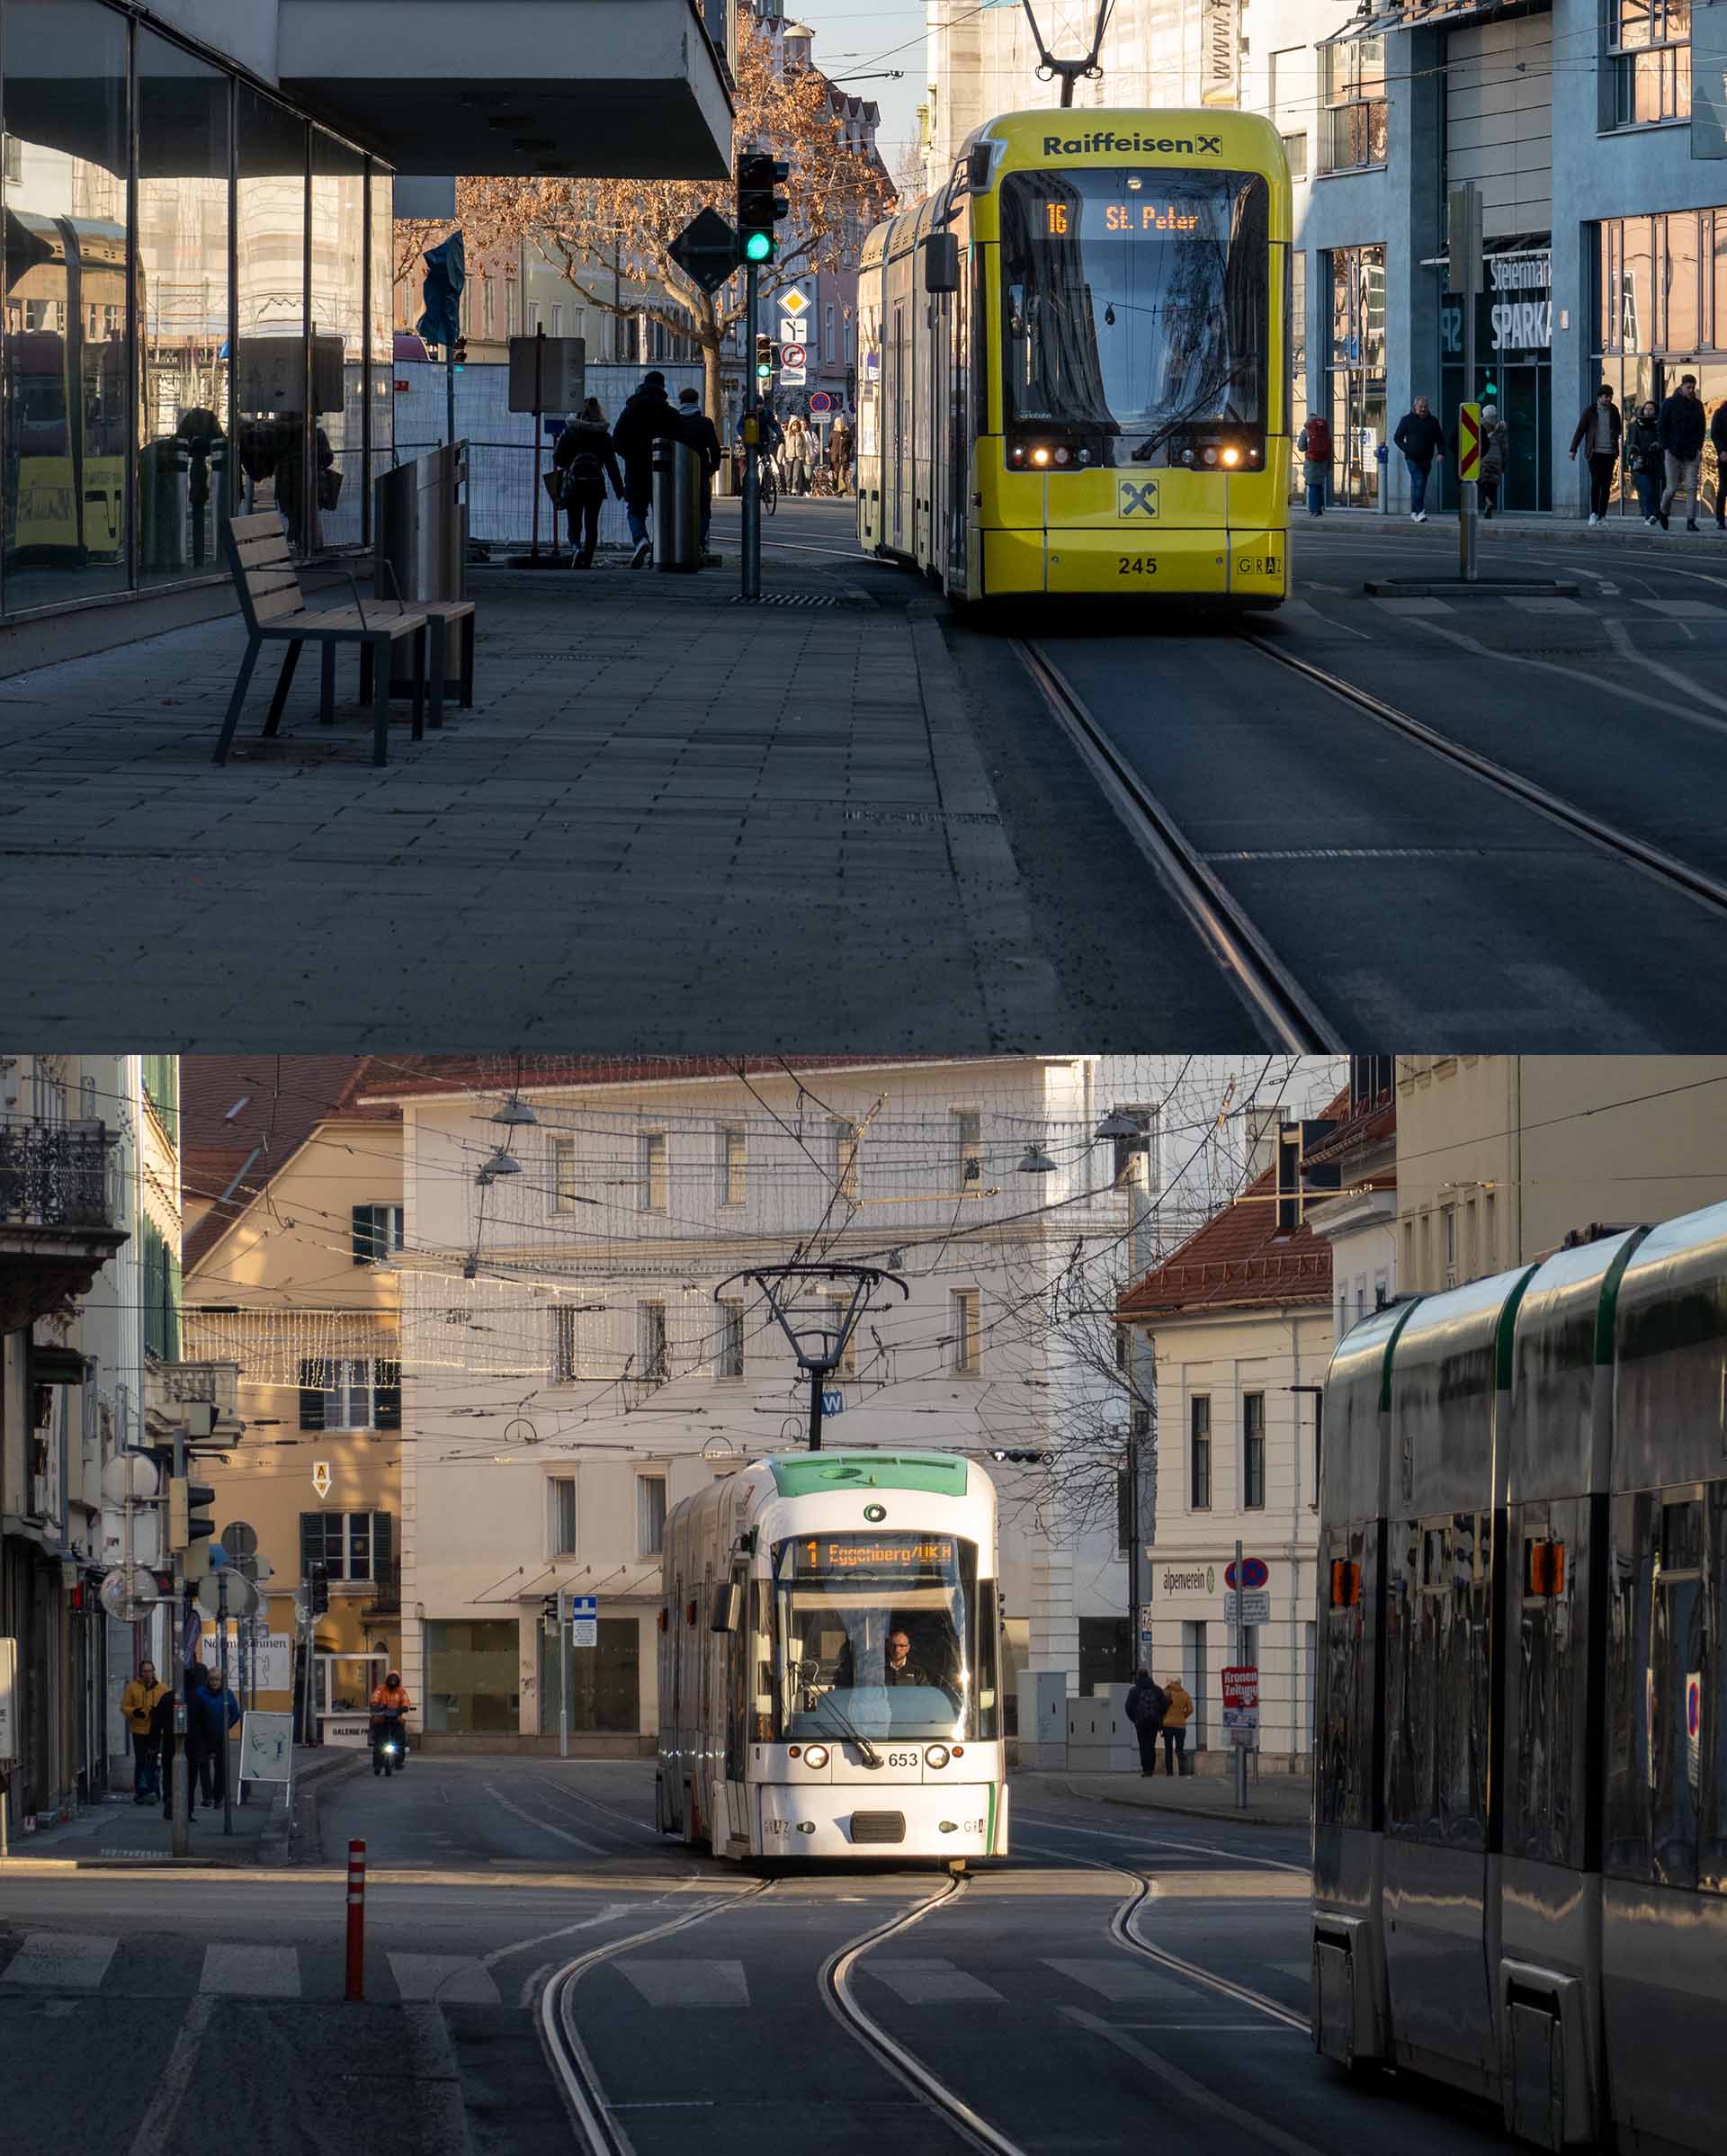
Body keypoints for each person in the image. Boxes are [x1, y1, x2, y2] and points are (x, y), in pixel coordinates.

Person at [610, 370, 682, 566]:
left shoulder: (631, 410)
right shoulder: (669, 413)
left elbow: (616, 441)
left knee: (635, 510)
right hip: (663, 470)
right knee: (662, 513)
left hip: (636, 469)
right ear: (662, 388)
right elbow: (682, 440)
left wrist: (631, 455)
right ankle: (658, 552)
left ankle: (641, 539)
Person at [553, 398, 622, 568]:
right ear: (598, 413)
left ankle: (576, 548)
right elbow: (611, 464)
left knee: (574, 522)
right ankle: (588, 560)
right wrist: (619, 489)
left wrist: (570, 463)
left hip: (573, 484)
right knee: (591, 523)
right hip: (595, 485)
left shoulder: (569, 432)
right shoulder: (604, 436)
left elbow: (558, 458)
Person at [675, 385, 723, 558]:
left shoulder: (675, 421)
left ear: (681, 402)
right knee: (703, 509)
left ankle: (678, 542)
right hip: (700, 471)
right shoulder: (705, 423)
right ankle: (699, 541)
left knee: (678, 508)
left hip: (677, 473)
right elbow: (714, 449)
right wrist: (713, 467)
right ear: (696, 402)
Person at [1658, 371, 1706, 532]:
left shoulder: (1698, 405)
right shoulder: (1669, 403)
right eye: (1689, 387)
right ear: (1681, 386)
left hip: (1691, 451)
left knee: (1691, 487)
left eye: (1693, 387)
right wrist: (1666, 446)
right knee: (1671, 488)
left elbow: (1701, 427)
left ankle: (1690, 520)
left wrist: (1698, 446)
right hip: (1673, 451)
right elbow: (1662, 427)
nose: (1691, 390)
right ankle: (1663, 512)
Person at [1570, 383, 1623, 527]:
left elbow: (1618, 429)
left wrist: (1615, 439)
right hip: (1594, 452)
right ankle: (1593, 513)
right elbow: (1580, 430)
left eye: (1610, 396)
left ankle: (1602, 515)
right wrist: (1573, 449)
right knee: (1596, 482)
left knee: (1606, 485)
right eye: (1606, 397)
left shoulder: (1614, 410)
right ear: (1599, 397)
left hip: (1609, 453)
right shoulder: (1590, 411)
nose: (1608, 399)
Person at [191, 1663, 241, 1808]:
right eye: (212, 1679)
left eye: (217, 1679)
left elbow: (235, 1714)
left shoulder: (228, 1694)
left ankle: (218, 1797)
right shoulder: (200, 1693)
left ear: (222, 1680)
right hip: (203, 1736)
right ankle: (207, 1797)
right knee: (203, 1765)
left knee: (221, 1767)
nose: (214, 1682)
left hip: (220, 1735)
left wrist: (227, 1727)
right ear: (208, 1679)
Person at [121, 1659, 169, 1806]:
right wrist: (134, 1712)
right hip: (138, 1730)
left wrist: (159, 1714)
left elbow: (168, 1707)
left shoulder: (162, 1688)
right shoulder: (132, 1688)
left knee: (154, 1762)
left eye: (150, 1671)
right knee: (141, 1761)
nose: (148, 1674)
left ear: (154, 1672)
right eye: (145, 1671)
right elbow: (124, 1707)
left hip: (155, 1731)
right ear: (140, 1673)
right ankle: (140, 1791)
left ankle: (153, 1790)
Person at [1392, 396, 1445, 523]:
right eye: (1420, 407)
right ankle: (1420, 511)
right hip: (1412, 458)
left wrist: (1441, 453)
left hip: (1426, 459)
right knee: (1419, 482)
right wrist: (1407, 449)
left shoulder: (1433, 421)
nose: (1423, 409)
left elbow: (1440, 439)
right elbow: (1397, 438)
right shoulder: (1406, 420)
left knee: (1421, 486)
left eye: (1425, 407)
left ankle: (1414, 512)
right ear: (1414, 407)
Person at [1625, 398, 1663, 527]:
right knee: (1646, 489)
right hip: (1641, 461)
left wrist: (1658, 445)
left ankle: (1656, 513)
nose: (1648, 411)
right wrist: (1633, 450)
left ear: (1655, 411)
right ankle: (1649, 515)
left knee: (1656, 490)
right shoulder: (1636, 424)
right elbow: (1631, 442)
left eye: (1651, 409)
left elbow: (1663, 440)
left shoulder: (1659, 424)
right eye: (1646, 409)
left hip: (1656, 461)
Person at [1124, 1668, 1168, 1778]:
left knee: (1143, 1746)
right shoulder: (1157, 1689)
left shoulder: (1134, 1691)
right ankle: (1151, 1770)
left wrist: (1135, 1719)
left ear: (1138, 1677)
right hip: (1154, 1722)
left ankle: (1146, 1770)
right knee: (1151, 1745)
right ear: (1148, 1676)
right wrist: (1159, 1717)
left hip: (1141, 1723)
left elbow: (1128, 1707)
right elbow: (1164, 1705)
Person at [1295, 411, 1330, 516]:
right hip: (1324, 460)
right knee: (1319, 484)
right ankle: (1319, 508)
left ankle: (1313, 510)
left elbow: (1301, 447)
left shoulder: (1306, 431)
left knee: (1312, 485)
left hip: (1312, 461)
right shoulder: (1325, 431)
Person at [1478, 404, 1508, 519]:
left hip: (1484, 457)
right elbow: (1505, 448)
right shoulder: (1501, 428)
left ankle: (1487, 501)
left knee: (1483, 481)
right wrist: (1504, 464)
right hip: (1497, 459)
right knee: (1493, 483)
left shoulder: (1480, 426)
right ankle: (1490, 502)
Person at [1159, 1674, 1194, 1776]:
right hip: (1180, 1726)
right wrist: (1183, 1717)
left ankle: (1169, 1772)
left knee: (1168, 1749)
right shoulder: (1185, 1694)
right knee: (1179, 1749)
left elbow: (1160, 1707)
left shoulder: (1166, 1693)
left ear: (1171, 1683)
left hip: (1167, 1724)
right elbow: (1191, 1709)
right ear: (1180, 1683)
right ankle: (1181, 1771)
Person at [783, 414, 813, 496]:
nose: (795, 427)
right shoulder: (786, 434)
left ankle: (794, 490)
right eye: (794, 425)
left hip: (798, 457)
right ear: (791, 425)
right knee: (788, 475)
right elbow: (783, 446)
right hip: (789, 457)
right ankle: (788, 489)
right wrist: (781, 457)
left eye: (797, 425)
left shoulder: (801, 434)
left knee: (796, 475)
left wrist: (806, 456)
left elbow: (805, 446)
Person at [828, 409, 855, 494]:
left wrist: (847, 452)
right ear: (835, 424)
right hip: (835, 458)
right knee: (836, 474)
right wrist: (831, 453)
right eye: (838, 424)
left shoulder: (847, 433)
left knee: (842, 473)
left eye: (841, 423)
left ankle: (842, 489)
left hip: (844, 457)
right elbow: (829, 444)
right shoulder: (832, 433)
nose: (840, 425)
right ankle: (836, 489)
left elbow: (850, 443)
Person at [1712, 398, 1727, 532]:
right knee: (1724, 489)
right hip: (1725, 457)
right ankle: (1720, 519)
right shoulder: (1720, 413)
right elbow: (1715, 434)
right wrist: (1721, 450)